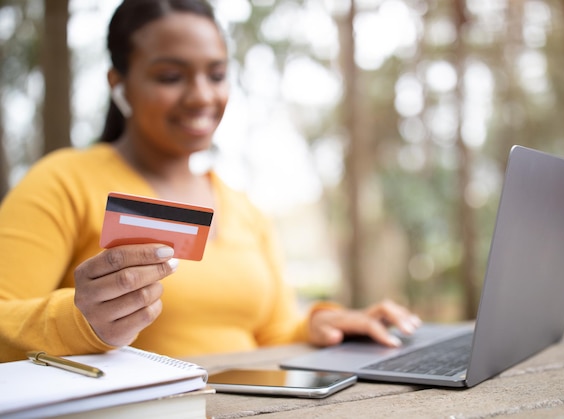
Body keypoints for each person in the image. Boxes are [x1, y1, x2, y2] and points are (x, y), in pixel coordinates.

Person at [0, 0, 420, 363]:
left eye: (216, 75)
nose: (202, 96)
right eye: (171, 76)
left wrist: (322, 325)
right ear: (119, 83)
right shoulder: (64, 182)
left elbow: (272, 333)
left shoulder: (244, 208)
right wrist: (76, 322)